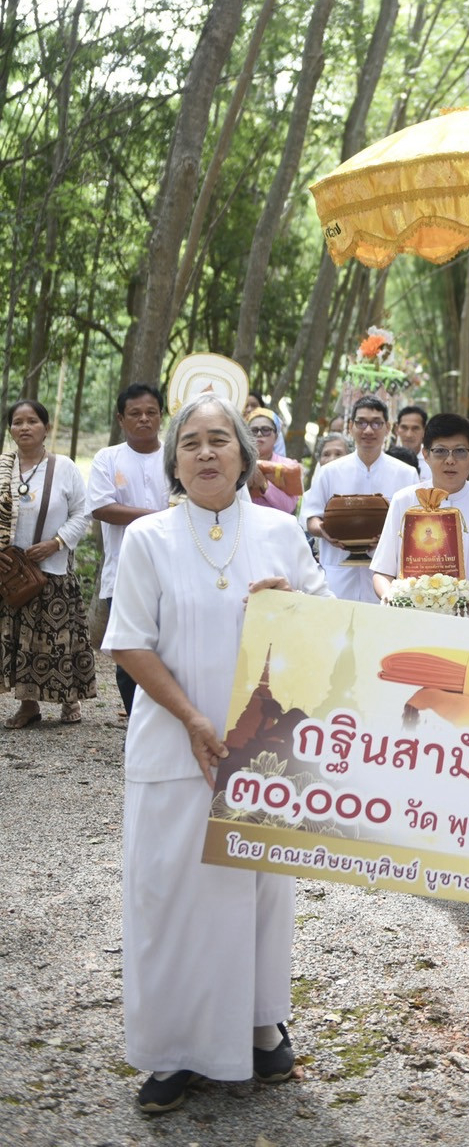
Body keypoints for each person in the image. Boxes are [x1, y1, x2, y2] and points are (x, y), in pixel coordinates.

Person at [102, 396, 331, 1114]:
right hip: (175, 745)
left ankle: (261, 1027)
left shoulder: (281, 531)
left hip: (263, 749)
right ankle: (173, 1051)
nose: (206, 453)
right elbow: (130, 641)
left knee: (257, 893)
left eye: (219, 440)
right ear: (174, 461)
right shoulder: (148, 538)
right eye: (191, 442)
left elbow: (330, 629)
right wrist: (194, 720)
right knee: (169, 896)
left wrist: (293, 606)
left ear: (245, 455)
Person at [1, 398, 93, 727]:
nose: (24, 427)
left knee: (57, 639)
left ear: (46, 428)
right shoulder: (3, 469)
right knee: (20, 640)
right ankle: (28, 705)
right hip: (10, 574)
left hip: (52, 570)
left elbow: (83, 513)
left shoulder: (64, 467)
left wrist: (56, 542)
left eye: (32, 421)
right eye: (17, 422)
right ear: (10, 429)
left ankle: (69, 700)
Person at [371, 413, 469, 621]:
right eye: (440, 451)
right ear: (426, 454)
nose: (450, 460)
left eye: (460, 451)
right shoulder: (404, 500)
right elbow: (382, 571)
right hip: (413, 621)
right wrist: (390, 597)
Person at [87, 384, 168, 716]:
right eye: (135, 413)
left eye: (151, 412)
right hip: (123, 571)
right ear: (121, 418)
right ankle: (137, 725)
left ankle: (168, 722)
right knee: (129, 654)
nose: (144, 419)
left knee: (170, 649)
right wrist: (160, 516)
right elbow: (101, 507)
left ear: (161, 416)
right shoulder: (108, 458)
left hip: (173, 569)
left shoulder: (177, 456)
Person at [300, 395, 416, 602]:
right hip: (337, 573)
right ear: (350, 427)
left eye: (376, 423)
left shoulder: (406, 474)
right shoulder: (329, 472)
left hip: (387, 576)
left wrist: (391, 536)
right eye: (361, 422)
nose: (368, 430)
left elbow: (415, 524)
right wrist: (325, 530)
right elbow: (311, 518)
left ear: (388, 428)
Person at [245, 409, 302, 515]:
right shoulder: (239, 464)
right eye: (253, 430)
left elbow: (289, 507)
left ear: (276, 436)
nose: (259, 434)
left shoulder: (289, 466)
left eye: (266, 430)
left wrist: (264, 484)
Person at [395, 405, 432, 485]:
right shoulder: (390, 458)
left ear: (425, 431)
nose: (409, 435)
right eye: (404, 428)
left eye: (415, 428)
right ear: (397, 429)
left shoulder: (433, 461)